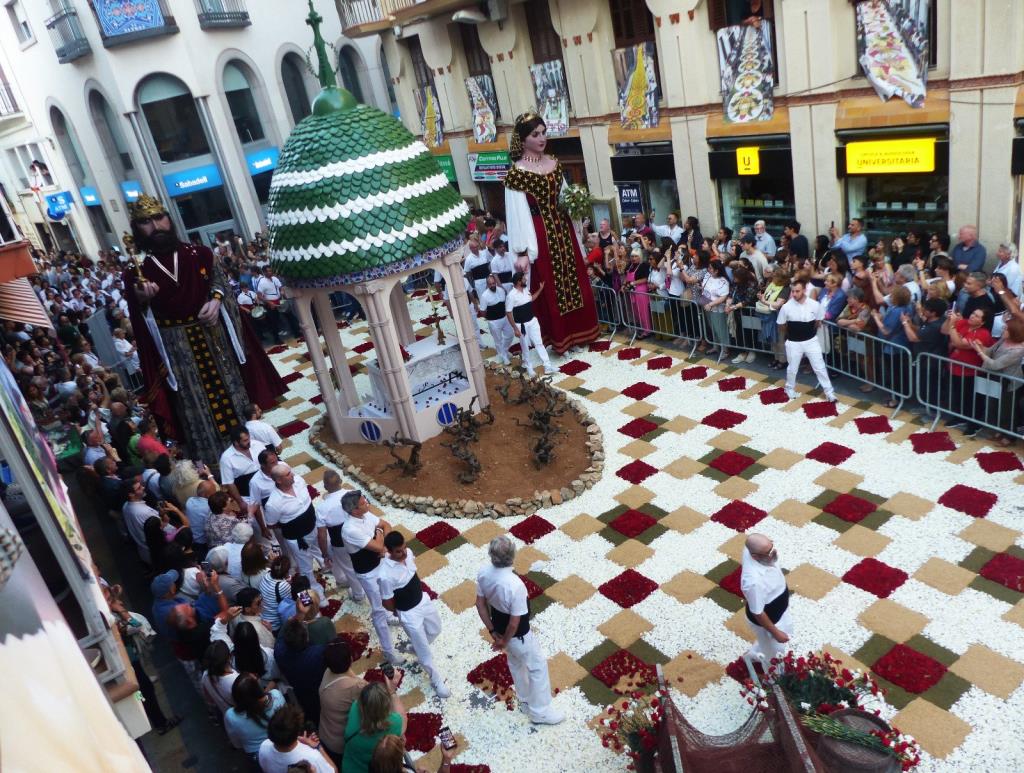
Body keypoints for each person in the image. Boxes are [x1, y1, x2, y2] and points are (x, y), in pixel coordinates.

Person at [121, 194, 286, 465]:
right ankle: (212, 462)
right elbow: (139, 322)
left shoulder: (200, 254)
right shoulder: (136, 272)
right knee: (194, 404)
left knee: (232, 392)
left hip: (214, 338)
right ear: (136, 228)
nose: (155, 226)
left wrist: (217, 300)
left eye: (159, 217)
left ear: (169, 220)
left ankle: (255, 452)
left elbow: (219, 285)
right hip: (178, 349)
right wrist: (142, 300)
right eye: (145, 222)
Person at [503, 112, 599, 353]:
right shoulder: (517, 174)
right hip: (539, 234)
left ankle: (578, 334)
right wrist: (522, 251)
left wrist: (576, 213)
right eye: (535, 134)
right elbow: (516, 214)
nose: (541, 138)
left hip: (563, 229)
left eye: (544, 132)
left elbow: (565, 197)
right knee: (551, 286)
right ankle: (559, 339)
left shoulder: (554, 163)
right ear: (523, 139)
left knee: (573, 280)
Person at [475, 536, 563, 725]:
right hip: (517, 636)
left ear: (491, 555)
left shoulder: (483, 573)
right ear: (512, 556)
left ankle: (524, 699)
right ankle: (540, 712)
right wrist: (503, 642)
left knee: (516, 663)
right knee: (537, 667)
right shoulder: (515, 585)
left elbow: (480, 604)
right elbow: (515, 623)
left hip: (499, 629)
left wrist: (493, 633)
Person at [378, 531, 450, 698]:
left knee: (435, 629)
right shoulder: (385, 575)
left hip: (423, 600)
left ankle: (414, 647)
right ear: (388, 551)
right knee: (425, 651)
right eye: (398, 551)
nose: (403, 553)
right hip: (409, 613)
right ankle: (436, 680)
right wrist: (398, 612)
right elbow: (387, 601)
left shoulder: (409, 553)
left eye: (404, 548)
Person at [340, 491, 401, 665]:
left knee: (389, 593)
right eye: (363, 502)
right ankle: (389, 651)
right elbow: (378, 544)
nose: (367, 502)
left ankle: (390, 616)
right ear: (354, 510)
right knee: (378, 610)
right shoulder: (350, 529)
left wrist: (381, 539)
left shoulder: (366, 515)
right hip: (368, 573)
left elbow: (386, 524)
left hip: (380, 564)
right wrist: (380, 537)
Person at [265, 463, 328, 611]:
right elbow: (272, 524)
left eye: (290, 471)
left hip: (313, 527)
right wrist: (293, 526)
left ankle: (325, 565)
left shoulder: (298, 480)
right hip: (297, 538)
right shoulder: (273, 503)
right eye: (288, 474)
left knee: (319, 548)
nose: (292, 474)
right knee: (305, 565)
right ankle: (315, 590)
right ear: (278, 480)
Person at [777, 278, 837, 402]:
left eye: (797, 291)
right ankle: (789, 388)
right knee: (792, 368)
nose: (794, 294)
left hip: (811, 341)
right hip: (793, 342)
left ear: (804, 290)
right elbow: (782, 325)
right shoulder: (786, 307)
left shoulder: (815, 305)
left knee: (820, 367)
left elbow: (818, 322)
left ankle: (829, 392)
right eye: (793, 291)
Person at [740, 533, 792, 668]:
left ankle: (754, 652)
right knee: (774, 657)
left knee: (768, 644)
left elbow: (752, 542)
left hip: (780, 611)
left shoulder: (753, 550)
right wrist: (776, 633)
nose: (773, 553)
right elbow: (758, 612)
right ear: (755, 556)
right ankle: (773, 682)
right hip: (769, 620)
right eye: (768, 552)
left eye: (771, 546)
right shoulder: (753, 582)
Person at [316, 469, 366, 604]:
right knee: (361, 562)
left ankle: (359, 594)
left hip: (339, 543)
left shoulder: (322, 508)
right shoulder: (354, 495)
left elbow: (321, 535)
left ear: (325, 487)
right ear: (341, 481)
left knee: (350, 569)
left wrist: (325, 554)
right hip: (359, 535)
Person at [319, 638, 368, 766]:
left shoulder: (328, 672)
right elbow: (377, 697)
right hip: (341, 744)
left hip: (325, 734)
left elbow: (348, 675)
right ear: (351, 659)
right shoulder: (357, 687)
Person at [342, 681, 407, 773]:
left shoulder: (354, 708)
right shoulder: (395, 722)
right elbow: (403, 719)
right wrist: (392, 692)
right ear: (387, 706)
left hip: (351, 768)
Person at [275, 615, 329, 727]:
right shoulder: (318, 653)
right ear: (307, 638)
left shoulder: (279, 652)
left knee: (311, 711)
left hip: (300, 691)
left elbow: (280, 637)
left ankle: (316, 725)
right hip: (319, 688)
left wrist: (297, 616)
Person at [258, 703, 337, 772]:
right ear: (298, 732)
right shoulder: (312, 758)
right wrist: (318, 747)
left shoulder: (264, 747)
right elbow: (334, 771)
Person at [505, 271, 556, 375]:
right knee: (525, 347)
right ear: (519, 281)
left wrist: (540, 289)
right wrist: (515, 328)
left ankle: (548, 366)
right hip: (521, 325)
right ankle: (529, 368)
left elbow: (531, 299)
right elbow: (508, 312)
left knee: (539, 343)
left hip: (532, 321)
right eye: (524, 279)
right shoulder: (511, 296)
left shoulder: (525, 290)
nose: (526, 280)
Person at [225, 672, 286, 757]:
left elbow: (236, 742)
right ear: (257, 689)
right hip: (280, 744)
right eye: (256, 679)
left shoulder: (230, 715)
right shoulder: (276, 696)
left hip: (256, 753)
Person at [479, 274, 514, 365]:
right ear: (487, 285)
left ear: (495, 282)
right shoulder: (484, 296)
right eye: (490, 284)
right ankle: (503, 356)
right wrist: (489, 318)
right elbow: (482, 311)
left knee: (510, 335)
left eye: (493, 283)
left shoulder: (502, 291)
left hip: (505, 318)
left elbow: (505, 303)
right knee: (498, 340)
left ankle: (505, 351)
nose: (492, 285)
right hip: (493, 321)